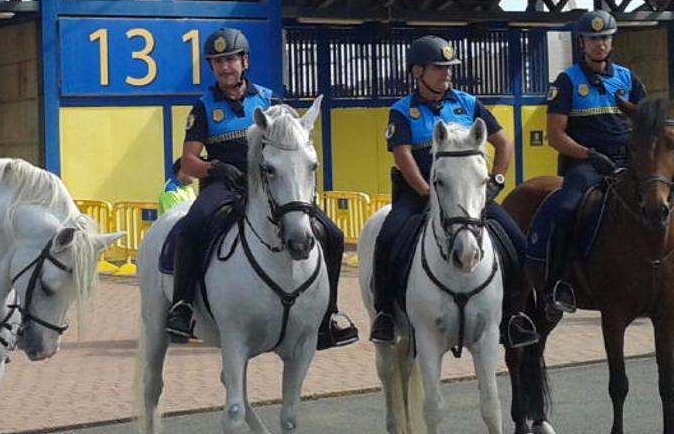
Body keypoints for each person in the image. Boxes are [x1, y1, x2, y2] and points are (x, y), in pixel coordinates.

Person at [165, 27, 359, 350]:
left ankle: (328, 315)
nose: (225, 67)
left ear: (245, 61)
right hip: (224, 186)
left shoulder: (269, 100)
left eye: (230, 60)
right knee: (192, 225)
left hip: (272, 187)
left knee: (333, 234)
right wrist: (215, 168)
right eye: (217, 62)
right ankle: (182, 305)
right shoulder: (203, 108)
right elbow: (187, 162)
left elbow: (295, 143)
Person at [369, 35, 539, 349]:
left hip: (469, 198)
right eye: (439, 67)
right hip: (416, 194)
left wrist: (496, 181)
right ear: (417, 71)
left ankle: (515, 315)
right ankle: (385, 314)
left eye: (449, 67)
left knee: (516, 240)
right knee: (389, 237)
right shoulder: (403, 111)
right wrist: (426, 192)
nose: (447, 73)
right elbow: (403, 155)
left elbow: (503, 143)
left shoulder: (468, 103)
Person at [544, 10, 646, 314]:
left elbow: (645, 125)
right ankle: (556, 286)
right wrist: (588, 155)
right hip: (586, 162)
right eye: (593, 39)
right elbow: (555, 136)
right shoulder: (567, 81)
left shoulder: (628, 78)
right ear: (583, 43)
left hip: (627, 160)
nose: (599, 44)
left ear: (612, 41)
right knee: (565, 209)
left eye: (604, 37)